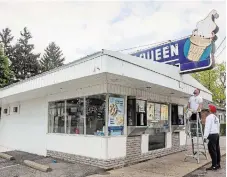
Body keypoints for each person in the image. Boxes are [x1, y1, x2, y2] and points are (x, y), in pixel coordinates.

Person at [204, 104, 221, 171]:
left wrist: (205, 137)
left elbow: (207, 127)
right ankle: (218, 164)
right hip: (216, 134)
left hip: (211, 135)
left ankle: (214, 166)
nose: (208, 109)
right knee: (217, 150)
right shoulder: (216, 118)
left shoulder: (209, 117)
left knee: (212, 150)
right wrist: (218, 134)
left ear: (210, 110)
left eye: (209, 108)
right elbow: (218, 127)